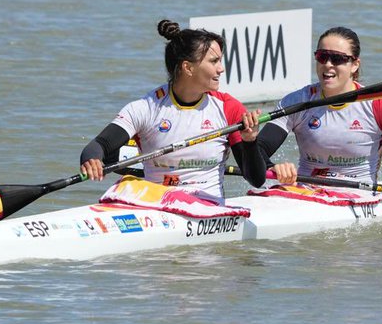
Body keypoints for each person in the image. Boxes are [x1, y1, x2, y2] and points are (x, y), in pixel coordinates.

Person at [244, 26, 382, 205]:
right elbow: (261, 148)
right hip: (306, 191)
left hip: (356, 197)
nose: (328, 65)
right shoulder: (297, 102)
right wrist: (273, 167)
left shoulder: (378, 108)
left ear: (354, 65)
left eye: (338, 58)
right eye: (322, 56)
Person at [80, 20, 263, 201]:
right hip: (159, 207)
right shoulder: (147, 108)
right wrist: (92, 160)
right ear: (188, 68)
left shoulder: (228, 108)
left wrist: (250, 142)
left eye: (220, 61)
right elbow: (98, 146)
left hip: (209, 209)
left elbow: (256, 179)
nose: (221, 69)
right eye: (214, 61)